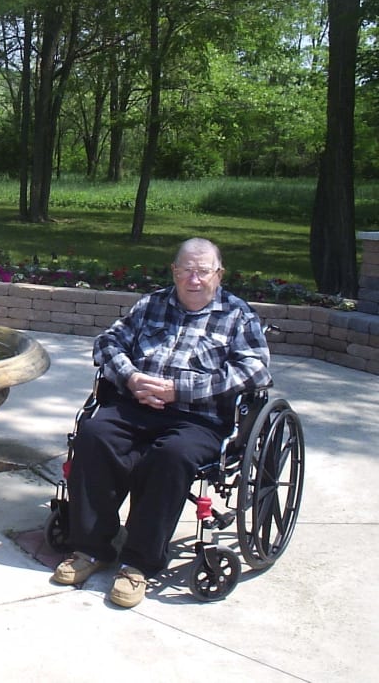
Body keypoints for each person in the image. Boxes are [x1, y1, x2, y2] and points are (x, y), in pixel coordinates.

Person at [52, 237, 271, 607]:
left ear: (219, 274)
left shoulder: (238, 315)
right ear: (174, 271)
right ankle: (91, 548)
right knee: (94, 433)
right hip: (137, 403)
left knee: (169, 456)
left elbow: (255, 370)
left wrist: (180, 390)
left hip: (198, 419)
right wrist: (131, 378)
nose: (194, 278)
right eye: (186, 269)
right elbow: (107, 343)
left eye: (203, 271)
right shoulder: (151, 304)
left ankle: (138, 564)